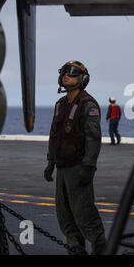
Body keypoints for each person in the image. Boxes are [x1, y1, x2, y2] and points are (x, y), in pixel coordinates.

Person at [43, 60, 106, 255]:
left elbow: (94, 139)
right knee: (65, 216)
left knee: (84, 215)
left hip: (78, 167)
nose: (66, 75)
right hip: (61, 167)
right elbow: (55, 135)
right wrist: (50, 162)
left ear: (83, 79)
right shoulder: (60, 104)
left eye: (72, 72)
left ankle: (101, 250)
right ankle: (75, 250)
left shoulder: (88, 105)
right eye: (64, 71)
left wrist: (88, 167)